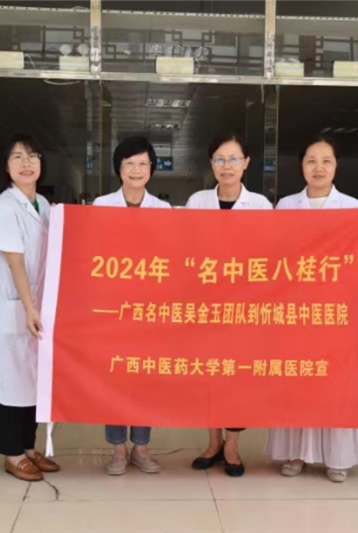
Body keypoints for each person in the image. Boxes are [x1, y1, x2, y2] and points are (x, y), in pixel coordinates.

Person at [266, 136, 358, 482]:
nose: (318, 168)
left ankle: (337, 457)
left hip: (338, 311)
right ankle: (296, 453)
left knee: (336, 382)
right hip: (296, 309)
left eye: (326, 161)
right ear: (301, 166)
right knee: (297, 378)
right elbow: (271, 258)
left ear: (336, 166)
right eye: (311, 161)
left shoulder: (353, 208)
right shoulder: (286, 206)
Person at [185, 133, 272, 477]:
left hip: (243, 309)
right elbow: (184, 249)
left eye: (234, 159)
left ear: (246, 163)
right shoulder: (197, 201)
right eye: (220, 159)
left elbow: (269, 257)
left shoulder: (261, 205)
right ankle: (213, 443)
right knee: (207, 376)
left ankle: (232, 447)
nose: (227, 166)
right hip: (205, 307)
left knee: (237, 379)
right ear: (211, 163)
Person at [93, 136, 170, 475]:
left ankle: (142, 447)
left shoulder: (163, 211)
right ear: (119, 169)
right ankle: (118, 450)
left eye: (143, 164)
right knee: (114, 380)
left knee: (144, 381)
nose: (136, 170)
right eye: (129, 164)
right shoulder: (101, 206)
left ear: (151, 169)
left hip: (148, 311)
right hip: (112, 310)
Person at [0, 134, 60, 482]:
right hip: (17, 306)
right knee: (12, 385)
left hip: (39, 307)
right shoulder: (4, 207)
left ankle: (29, 449)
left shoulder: (42, 204)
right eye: (17, 157)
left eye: (32, 156)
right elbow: (15, 262)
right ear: (6, 166)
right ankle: (12, 455)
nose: (26, 163)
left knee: (32, 382)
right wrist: (30, 308)